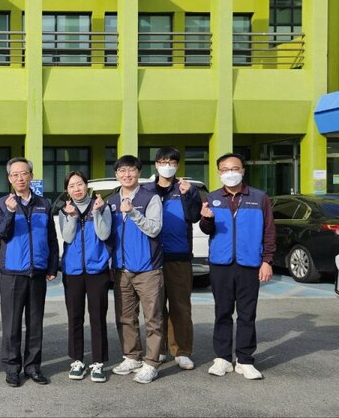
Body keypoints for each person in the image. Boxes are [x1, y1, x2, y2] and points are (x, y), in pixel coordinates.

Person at [200, 153, 275, 380]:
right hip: (221, 264)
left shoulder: (259, 198)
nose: (230, 173)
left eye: (235, 168)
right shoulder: (212, 197)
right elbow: (206, 230)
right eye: (225, 169)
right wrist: (207, 219)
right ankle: (222, 358)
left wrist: (267, 261)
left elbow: (269, 231)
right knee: (222, 312)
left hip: (250, 263)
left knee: (247, 314)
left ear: (243, 171)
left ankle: (245, 359)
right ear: (219, 172)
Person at [0, 157, 59, 387]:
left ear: (31, 176)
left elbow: (51, 237)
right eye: (15, 175)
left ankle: (33, 367)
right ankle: (12, 368)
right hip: (12, 272)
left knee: (35, 323)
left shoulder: (44, 203)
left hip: (37, 271)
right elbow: (0, 233)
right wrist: (10, 212)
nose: (20, 178)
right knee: (11, 325)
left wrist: (52, 266)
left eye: (24, 173)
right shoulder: (2, 203)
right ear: (9, 179)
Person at [141, 147, 201, 371]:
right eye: (163, 161)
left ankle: (182, 351)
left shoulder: (187, 188)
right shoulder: (146, 189)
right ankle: (161, 348)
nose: (168, 165)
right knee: (155, 308)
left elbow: (194, 216)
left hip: (179, 256)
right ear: (156, 164)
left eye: (172, 162)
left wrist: (187, 195)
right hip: (152, 258)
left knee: (180, 306)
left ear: (177, 165)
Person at [107, 155, 164, 384]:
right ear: (117, 174)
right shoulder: (110, 200)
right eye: (122, 170)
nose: (126, 174)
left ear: (138, 172)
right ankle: (132, 356)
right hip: (121, 269)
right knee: (125, 317)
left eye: (131, 170)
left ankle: (151, 363)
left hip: (147, 268)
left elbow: (154, 229)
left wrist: (132, 213)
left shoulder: (150, 198)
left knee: (153, 318)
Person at [58, 171, 111, 383]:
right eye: (72, 186)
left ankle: (98, 363)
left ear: (87, 185)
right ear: (67, 190)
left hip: (97, 270)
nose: (77, 188)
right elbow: (68, 236)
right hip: (73, 271)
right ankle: (77, 360)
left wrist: (97, 213)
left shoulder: (102, 206)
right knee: (75, 317)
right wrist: (71, 216)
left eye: (80, 184)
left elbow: (104, 234)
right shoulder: (65, 210)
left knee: (98, 318)